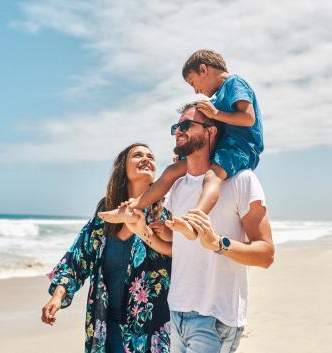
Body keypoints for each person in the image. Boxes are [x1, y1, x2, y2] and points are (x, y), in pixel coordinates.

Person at [101, 49, 263, 241]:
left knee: (213, 176)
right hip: (223, 146)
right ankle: (132, 207)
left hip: (241, 148)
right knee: (172, 171)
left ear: (203, 69)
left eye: (193, 82)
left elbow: (248, 118)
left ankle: (195, 221)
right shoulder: (217, 97)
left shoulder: (235, 83)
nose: (195, 90)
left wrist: (215, 114)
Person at [41, 143, 173, 353]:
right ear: (123, 168)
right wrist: (58, 295)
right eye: (138, 155)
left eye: (151, 156)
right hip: (105, 327)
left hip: (150, 330)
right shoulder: (106, 213)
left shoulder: (164, 215)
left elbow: (185, 256)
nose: (146, 159)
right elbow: (77, 258)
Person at [165, 103, 274, 353]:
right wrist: (145, 231)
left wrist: (218, 244)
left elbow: (266, 254)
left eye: (185, 126)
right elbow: (178, 250)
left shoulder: (242, 181)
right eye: (175, 127)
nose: (178, 132)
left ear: (211, 131)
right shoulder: (177, 187)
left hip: (215, 318)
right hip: (177, 312)